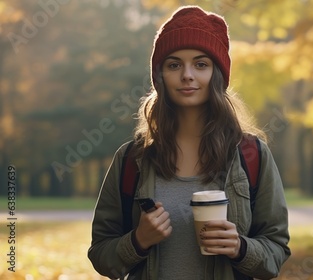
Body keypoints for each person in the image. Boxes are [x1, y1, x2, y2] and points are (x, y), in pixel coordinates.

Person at [88, 6, 290, 280]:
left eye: (201, 64)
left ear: (216, 74)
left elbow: (275, 252)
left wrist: (241, 248)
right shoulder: (131, 159)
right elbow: (101, 254)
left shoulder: (252, 156)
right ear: (160, 77)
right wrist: (137, 241)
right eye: (174, 65)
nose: (187, 75)